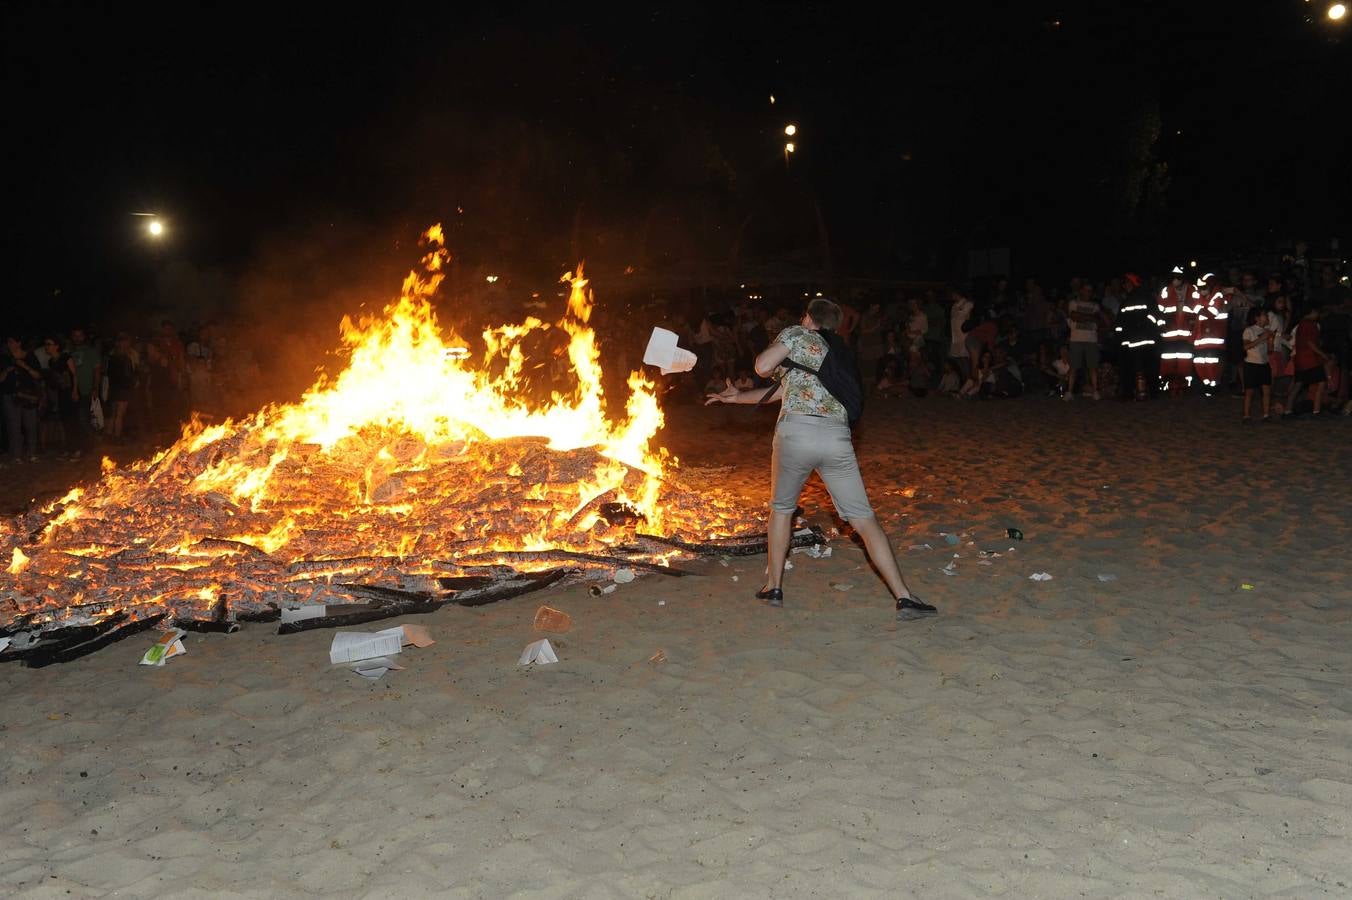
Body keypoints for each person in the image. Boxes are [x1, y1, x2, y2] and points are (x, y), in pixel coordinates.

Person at [704, 298, 936, 621]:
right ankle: (904, 596)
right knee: (864, 519)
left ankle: (773, 586)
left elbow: (761, 367)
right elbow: (786, 391)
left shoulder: (798, 335)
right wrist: (738, 397)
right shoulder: (837, 354)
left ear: (810, 318)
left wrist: (786, 338)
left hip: (796, 435)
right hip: (836, 439)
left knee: (782, 510)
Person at [1, 337, 44, 464]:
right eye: (8, 342)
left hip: (27, 396)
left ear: (19, 343)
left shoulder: (30, 357)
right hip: (10, 396)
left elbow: (38, 375)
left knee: (30, 425)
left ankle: (31, 453)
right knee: (14, 427)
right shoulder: (4, 358)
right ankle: (16, 455)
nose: (10, 344)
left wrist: (24, 366)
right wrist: (7, 370)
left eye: (12, 341)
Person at [1284, 306, 1328, 417]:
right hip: (1311, 360)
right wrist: (1322, 354)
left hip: (1301, 360)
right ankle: (1316, 411)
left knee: (1298, 384)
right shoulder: (1309, 324)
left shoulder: (1302, 324)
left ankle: (1288, 411)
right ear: (1312, 311)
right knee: (1321, 383)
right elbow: (1310, 342)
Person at [1064, 283, 1103, 400]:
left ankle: (1095, 391)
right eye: (1086, 290)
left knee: (1093, 366)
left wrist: (1082, 316)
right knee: (1074, 366)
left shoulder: (1095, 305)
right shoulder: (1073, 303)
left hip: (1091, 340)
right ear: (1081, 291)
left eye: (1090, 290)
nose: (1088, 293)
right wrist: (1090, 317)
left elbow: (1097, 319)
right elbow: (1074, 316)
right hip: (1076, 339)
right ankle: (1069, 392)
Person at [1241, 308, 1274, 422]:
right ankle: (1246, 416)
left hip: (1264, 364)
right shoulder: (1249, 330)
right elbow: (1245, 347)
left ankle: (1266, 415)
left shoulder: (1266, 331)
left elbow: (1270, 351)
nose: (1267, 317)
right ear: (1257, 318)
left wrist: (1270, 341)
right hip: (1251, 364)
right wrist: (1262, 338)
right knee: (1249, 392)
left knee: (1266, 391)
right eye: (1265, 315)